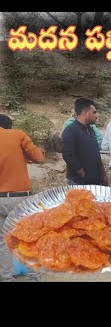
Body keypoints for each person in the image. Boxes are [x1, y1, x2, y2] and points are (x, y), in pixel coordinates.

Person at [0, 114, 45, 281]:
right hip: (18, 198)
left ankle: (6, 278)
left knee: (3, 242)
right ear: (9, 127)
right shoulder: (17, 135)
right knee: (29, 238)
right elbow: (39, 157)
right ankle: (35, 276)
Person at [62, 98, 107, 186]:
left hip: (94, 182)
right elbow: (68, 155)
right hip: (78, 182)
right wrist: (81, 172)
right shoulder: (71, 130)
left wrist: (103, 175)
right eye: (94, 112)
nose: (96, 116)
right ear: (85, 113)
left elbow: (96, 155)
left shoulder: (90, 130)